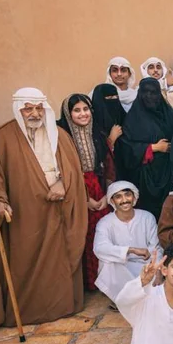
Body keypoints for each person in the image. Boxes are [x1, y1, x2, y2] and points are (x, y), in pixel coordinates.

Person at [0, 88, 87, 332]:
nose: (35, 113)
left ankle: (60, 305)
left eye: (39, 108)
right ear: (18, 109)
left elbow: (72, 168)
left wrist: (63, 184)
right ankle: (28, 309)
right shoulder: (2, 137)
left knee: (60, 257)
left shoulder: (59, 135)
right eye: (28, 108)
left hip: (58, 208)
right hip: (24, 210)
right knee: (24, 257)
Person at [57, 93, 116, 290]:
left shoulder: (98, 134)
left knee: (100, 233)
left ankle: (104, 279)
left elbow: (109, 164)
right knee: (80, 233)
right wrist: (83, 198)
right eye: (76, 110)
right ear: (68, 114)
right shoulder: (61, 138)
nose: (83, 114)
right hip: (75, 190)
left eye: (86, 109)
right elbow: (62, 170)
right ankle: (85, 282)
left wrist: (107, 194)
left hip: (99, 189)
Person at [119, 78, 173, 218]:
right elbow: (126, 149)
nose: (149, 96)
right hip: (145, 179)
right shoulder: (132, 119)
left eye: (153, 93)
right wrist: (153, 147)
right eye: (145, 92)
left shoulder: (170, 116)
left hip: (169, 174)